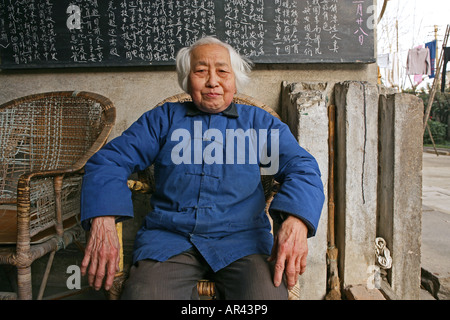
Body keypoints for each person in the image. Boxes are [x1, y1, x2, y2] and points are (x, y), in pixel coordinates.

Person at [80, 36, 324, 299]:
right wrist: (102, 217)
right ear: (188, 80)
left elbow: (302, 167)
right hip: (169, 239)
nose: (212, 81)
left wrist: (296, 220)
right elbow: (110, 160)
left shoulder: (258, 124)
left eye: (222, 71)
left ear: (234, 80)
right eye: (200, 71)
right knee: (145, 295)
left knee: (264, 298)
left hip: (244, 241)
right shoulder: (164, 120)